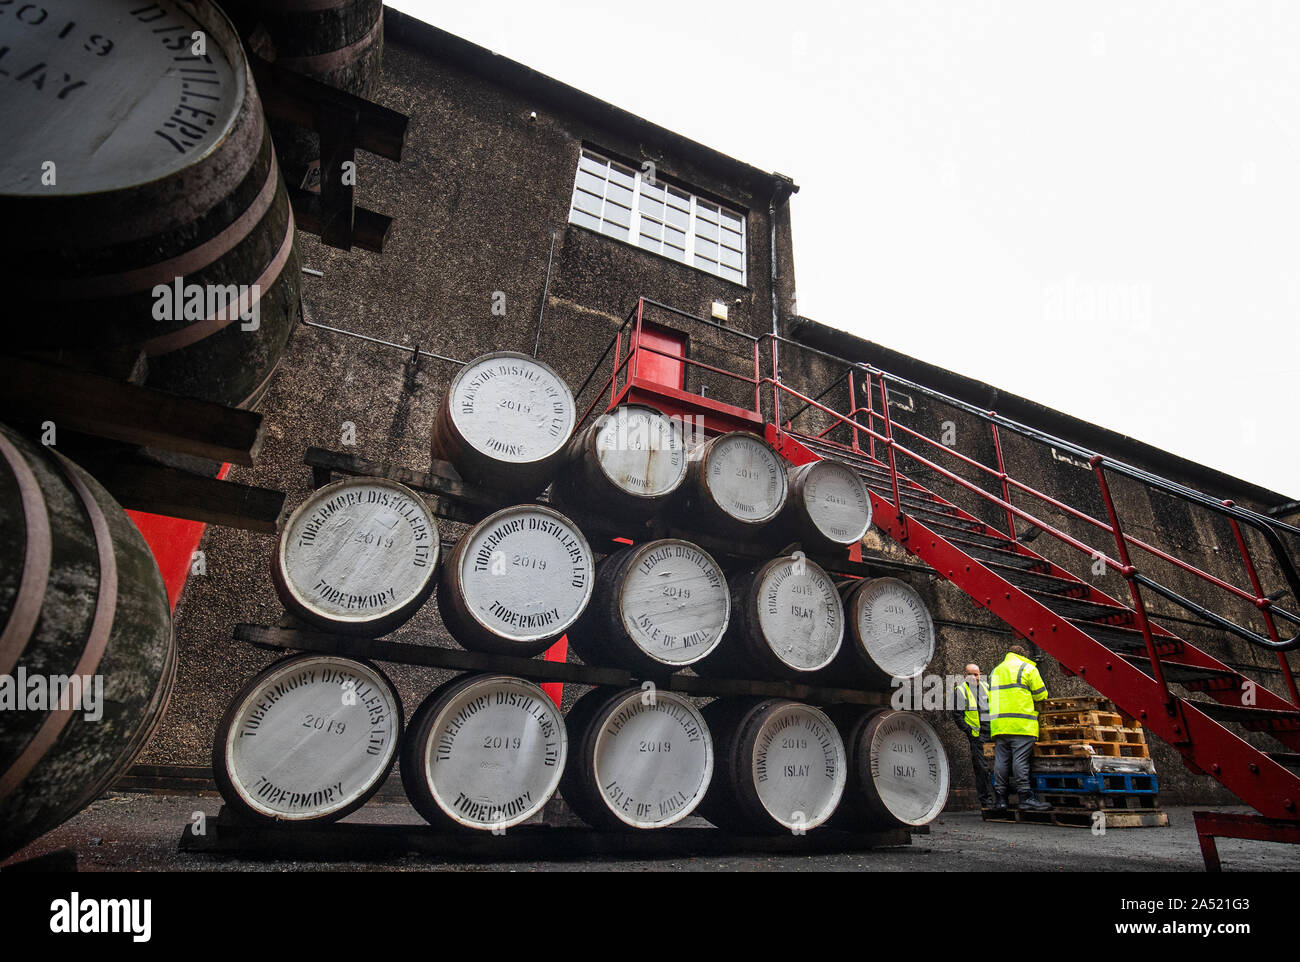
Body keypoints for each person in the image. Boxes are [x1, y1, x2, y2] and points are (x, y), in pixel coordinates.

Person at [989, 644, 1052, 813]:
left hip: (999, 725)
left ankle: (1000, 799)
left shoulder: (996, 671)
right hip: (1021, 724)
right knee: (1020, 761)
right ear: (1023, 654)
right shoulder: (1028, 668)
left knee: (1001, 762)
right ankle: (1025, 797)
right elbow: (1041, 694)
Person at [952, 663, 994, 810]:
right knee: (981, 768)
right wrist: (968, 731)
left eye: (976, 674)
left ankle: (999, 799)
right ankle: (986, 801)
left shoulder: (987, 688)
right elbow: (957, 715)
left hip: (992, 733)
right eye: (971, 674)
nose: (974, 677)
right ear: (965, 675)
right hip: (977, 736)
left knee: (996, 767)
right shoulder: (960, 691)